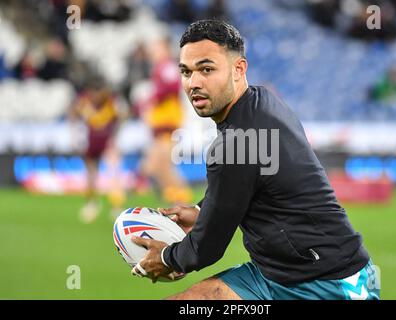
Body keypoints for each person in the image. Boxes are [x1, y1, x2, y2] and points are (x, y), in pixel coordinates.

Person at [130, 20, 380, 300]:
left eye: (207, 69)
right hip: (276, 273)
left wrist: (166, 257)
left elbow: (207, 248)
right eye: (186, 72)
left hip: (327, 282)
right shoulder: (262, 101)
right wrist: (202, 212)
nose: (194, 83)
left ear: (239, 70)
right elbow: (243, 184)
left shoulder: (236, 142)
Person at [136, 38, 192, 204]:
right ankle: (176, 201)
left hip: (168, 123)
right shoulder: (161, 67)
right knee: (160, 166)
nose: (153, 52)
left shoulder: (166, 65)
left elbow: (172, 86)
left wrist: (150, 99)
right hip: (162, 125)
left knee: (163, 166)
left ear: (165, 49)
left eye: (157, 48)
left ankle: (183, 203)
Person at [70, 78, 127, 223]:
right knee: (90, 174)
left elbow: (123, 116)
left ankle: (116, 206)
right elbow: (73, 114)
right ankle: (91, 203)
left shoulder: (112, 102)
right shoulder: (84, 101)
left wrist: (115, 135)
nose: (96, 96)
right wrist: (76, 134)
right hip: (91, 142)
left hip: (107, 142)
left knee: (114, 172)